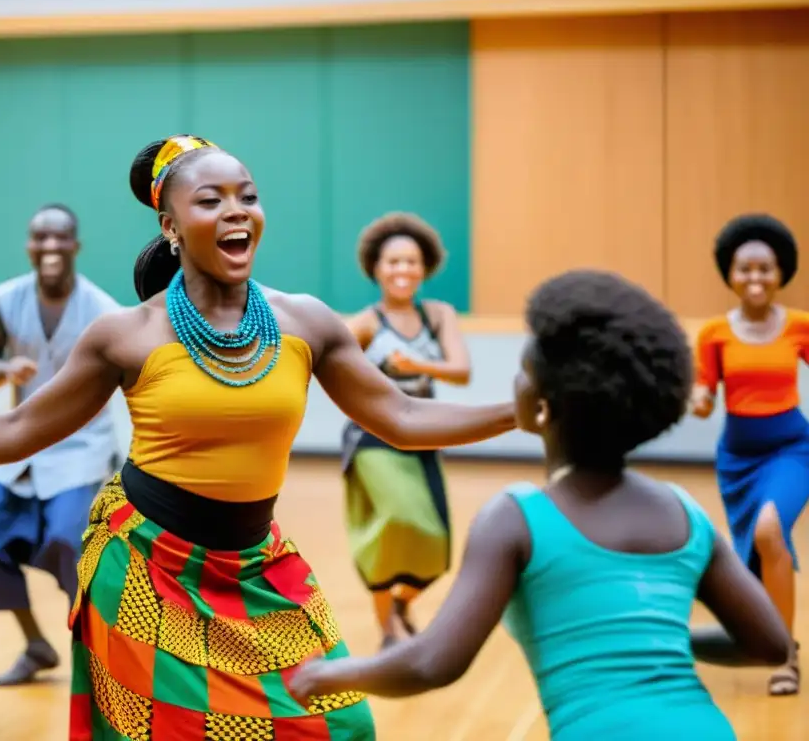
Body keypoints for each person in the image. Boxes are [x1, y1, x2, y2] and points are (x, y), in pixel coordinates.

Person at [0, 134, 517, 741]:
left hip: (256, 563)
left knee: (338, 723)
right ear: (171, 224)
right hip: (147, 562)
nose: (235, 210)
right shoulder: (128, 334)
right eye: (210, 200)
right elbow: (24, 424)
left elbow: (402, 416)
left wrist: (520, 411)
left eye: (246, 195)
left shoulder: (307, 322)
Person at [289, 269, 793, 740]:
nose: (516, 382)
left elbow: (433, 662)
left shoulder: (517, 519)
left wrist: (324, 674)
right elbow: (770, 644)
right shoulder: (684, 511)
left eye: (523, 371)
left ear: (541, 404)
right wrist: (665, 642)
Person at [0, 202, 123, 687]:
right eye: (41, 237)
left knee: (65, 543)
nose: (51, 246)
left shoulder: (103, 311)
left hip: (82, 447)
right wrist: (3, 370)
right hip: (23, 445)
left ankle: (102, 653)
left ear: (75, 245)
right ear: (29, 245)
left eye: (61, 238)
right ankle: (36, 644)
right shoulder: (5, 298)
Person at [690, 213, 808, 696]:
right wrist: (697, 400)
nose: (756, 278)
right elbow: (704, 394)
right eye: (745, 269)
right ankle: (771, 638)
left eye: (766, 268)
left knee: (769, 530)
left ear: (781, 273)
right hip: (738, 458)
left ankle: (783, 653)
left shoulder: (800, 325)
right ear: (729, 275)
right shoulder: (714, 333)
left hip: (791, 448)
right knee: (757, 548)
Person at [341, 212, 470, 648]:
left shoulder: (437, 315)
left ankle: (399, 606)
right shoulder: (364, 323)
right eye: (393, 262)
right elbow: (324, 367)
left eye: (411, 262)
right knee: (397, 522)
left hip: (425, 436)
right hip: (372, 438)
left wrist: (419, 365)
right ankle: (389, 633)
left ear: (424, 268)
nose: (402, 270)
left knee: (436, 548)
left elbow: (461, 371)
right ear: (376, 268)